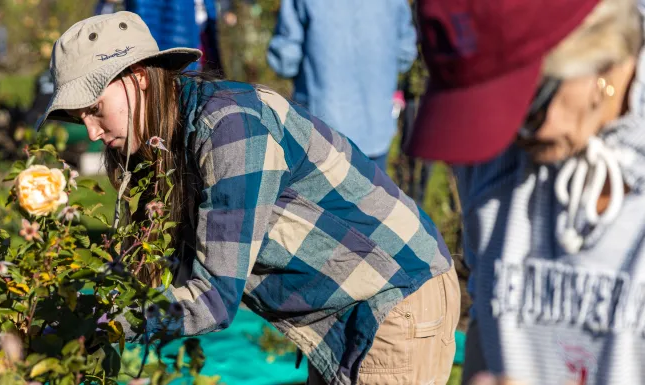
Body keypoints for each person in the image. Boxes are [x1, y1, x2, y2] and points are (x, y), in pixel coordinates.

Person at [35, 11, 458, 385]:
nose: (90, 132)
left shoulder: (231, 128)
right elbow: (154, 267)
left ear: (140, 78)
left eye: (94, 109)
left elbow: (212, 299)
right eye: (79, 118)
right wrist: (71, 310)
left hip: (395, 297)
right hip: (346, 309)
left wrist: (100, 325)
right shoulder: (160, 143)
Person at [402, 0, 645, 383]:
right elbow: (490, 315)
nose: (508, 136)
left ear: (600, 56)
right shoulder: (495, 155)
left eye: (521, 107)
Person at [267, 0, 418, 172]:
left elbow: (285, 59)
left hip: (321, 126)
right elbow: (405, 51)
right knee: (375, 194)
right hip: (376, 124)